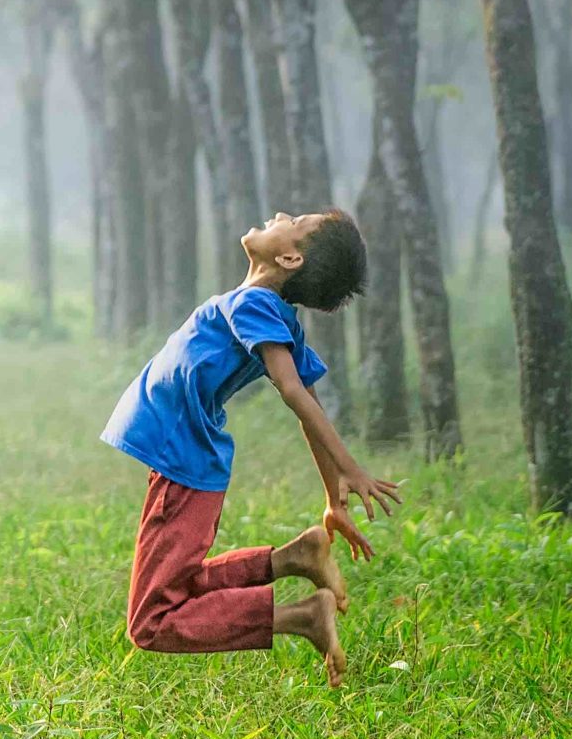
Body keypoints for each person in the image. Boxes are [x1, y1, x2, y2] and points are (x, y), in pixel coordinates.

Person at [102, 209, 399, 686]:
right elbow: (308, 397)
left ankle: (301, 618)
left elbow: (295, 391)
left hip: (183, 463)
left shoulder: (257, 304)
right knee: (178, 586)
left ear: (289, 256)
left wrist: (349, 469)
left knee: (152, 621)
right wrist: (332, 498)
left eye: (295, 220)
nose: (281, 214)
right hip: (184, 460)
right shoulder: (265, 308)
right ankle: (293, 559)